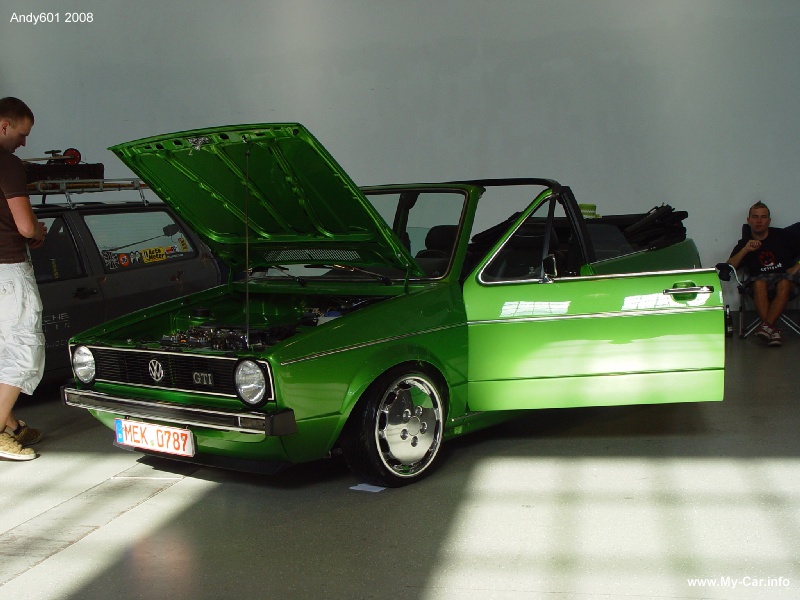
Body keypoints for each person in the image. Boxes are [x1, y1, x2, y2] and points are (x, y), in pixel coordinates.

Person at [0, 97, 46, 460]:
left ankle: (11, 425)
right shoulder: (7, 163)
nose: (24, 142)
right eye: (21, 133)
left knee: (3, 351)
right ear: (4, 126)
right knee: (25, 351)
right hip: (8, 269)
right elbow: (26, 226)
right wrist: (38, 231)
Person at [728, 201, 800, 347]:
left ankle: (767, 328)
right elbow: (729, 267)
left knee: (784, 283)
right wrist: (745, 250)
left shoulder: (783, 236)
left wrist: (797, 266)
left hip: (785, 277)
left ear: (769, 220)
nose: (759, 221)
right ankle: (771, 329)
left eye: (763, 217)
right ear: (749, 220)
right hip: (758, 280)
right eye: (755, 217)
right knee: (759, 283)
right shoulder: (744, 243)